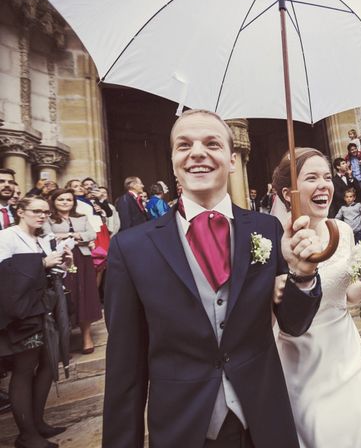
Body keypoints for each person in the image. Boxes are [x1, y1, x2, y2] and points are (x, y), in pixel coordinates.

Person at [102, 109, 323, 448]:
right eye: (184, 145)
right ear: (174, 160)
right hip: (184, 428)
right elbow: (125, 373)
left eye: (212, 143)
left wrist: (303, 276)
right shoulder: (130, 248)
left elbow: (293, 323)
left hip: (263, 422)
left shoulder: (267, 228)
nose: (198, 153)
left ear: (233, 159)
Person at [271, 147, 361, 448]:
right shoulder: (275, 241)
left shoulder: (342, 230)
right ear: (289, 193)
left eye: (327, 176)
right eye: (311, 177)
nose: (324, 184)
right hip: (303, 362)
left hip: (348, 356)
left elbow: (348, 294)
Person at [0, 196, 69, 448]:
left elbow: (43, 273)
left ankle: (37, 422)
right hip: (23, 315)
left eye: (46, 213)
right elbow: (5, 275)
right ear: (20, 211)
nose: (42, 216)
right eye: (36, 211)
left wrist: (60, 263)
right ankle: (26, 434)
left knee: (49, 364)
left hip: (43, 308)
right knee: (24, 369)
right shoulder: (6, 237)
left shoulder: (41, 238)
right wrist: (42, 262)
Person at [43, 189, 102, 355]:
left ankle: (86, 337)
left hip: (83, 260)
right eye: (61, 199)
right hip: (61, 260)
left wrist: (68, 235)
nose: (65, 202)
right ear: (53, 201)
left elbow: (91, 234)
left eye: (68, 199)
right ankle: (64, 340)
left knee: (85, 295)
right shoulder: (48, 219)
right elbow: (49, 236)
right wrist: (78, 237)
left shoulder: (81, 217)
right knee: (66, 296)